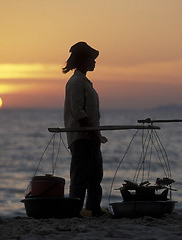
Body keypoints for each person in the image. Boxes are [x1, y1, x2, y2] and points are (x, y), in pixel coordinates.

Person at [62, 42, 107, 216]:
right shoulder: (75, 82)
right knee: (80, 177)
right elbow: (77, 111)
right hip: (81, 137)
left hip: (92, 135)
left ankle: (93, 208)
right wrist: (89, 130)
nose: (94, 63)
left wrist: (95, 133)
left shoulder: (85, 81)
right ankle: (75, 211)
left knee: (95, 176)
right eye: (91, 59)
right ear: (83, 61)